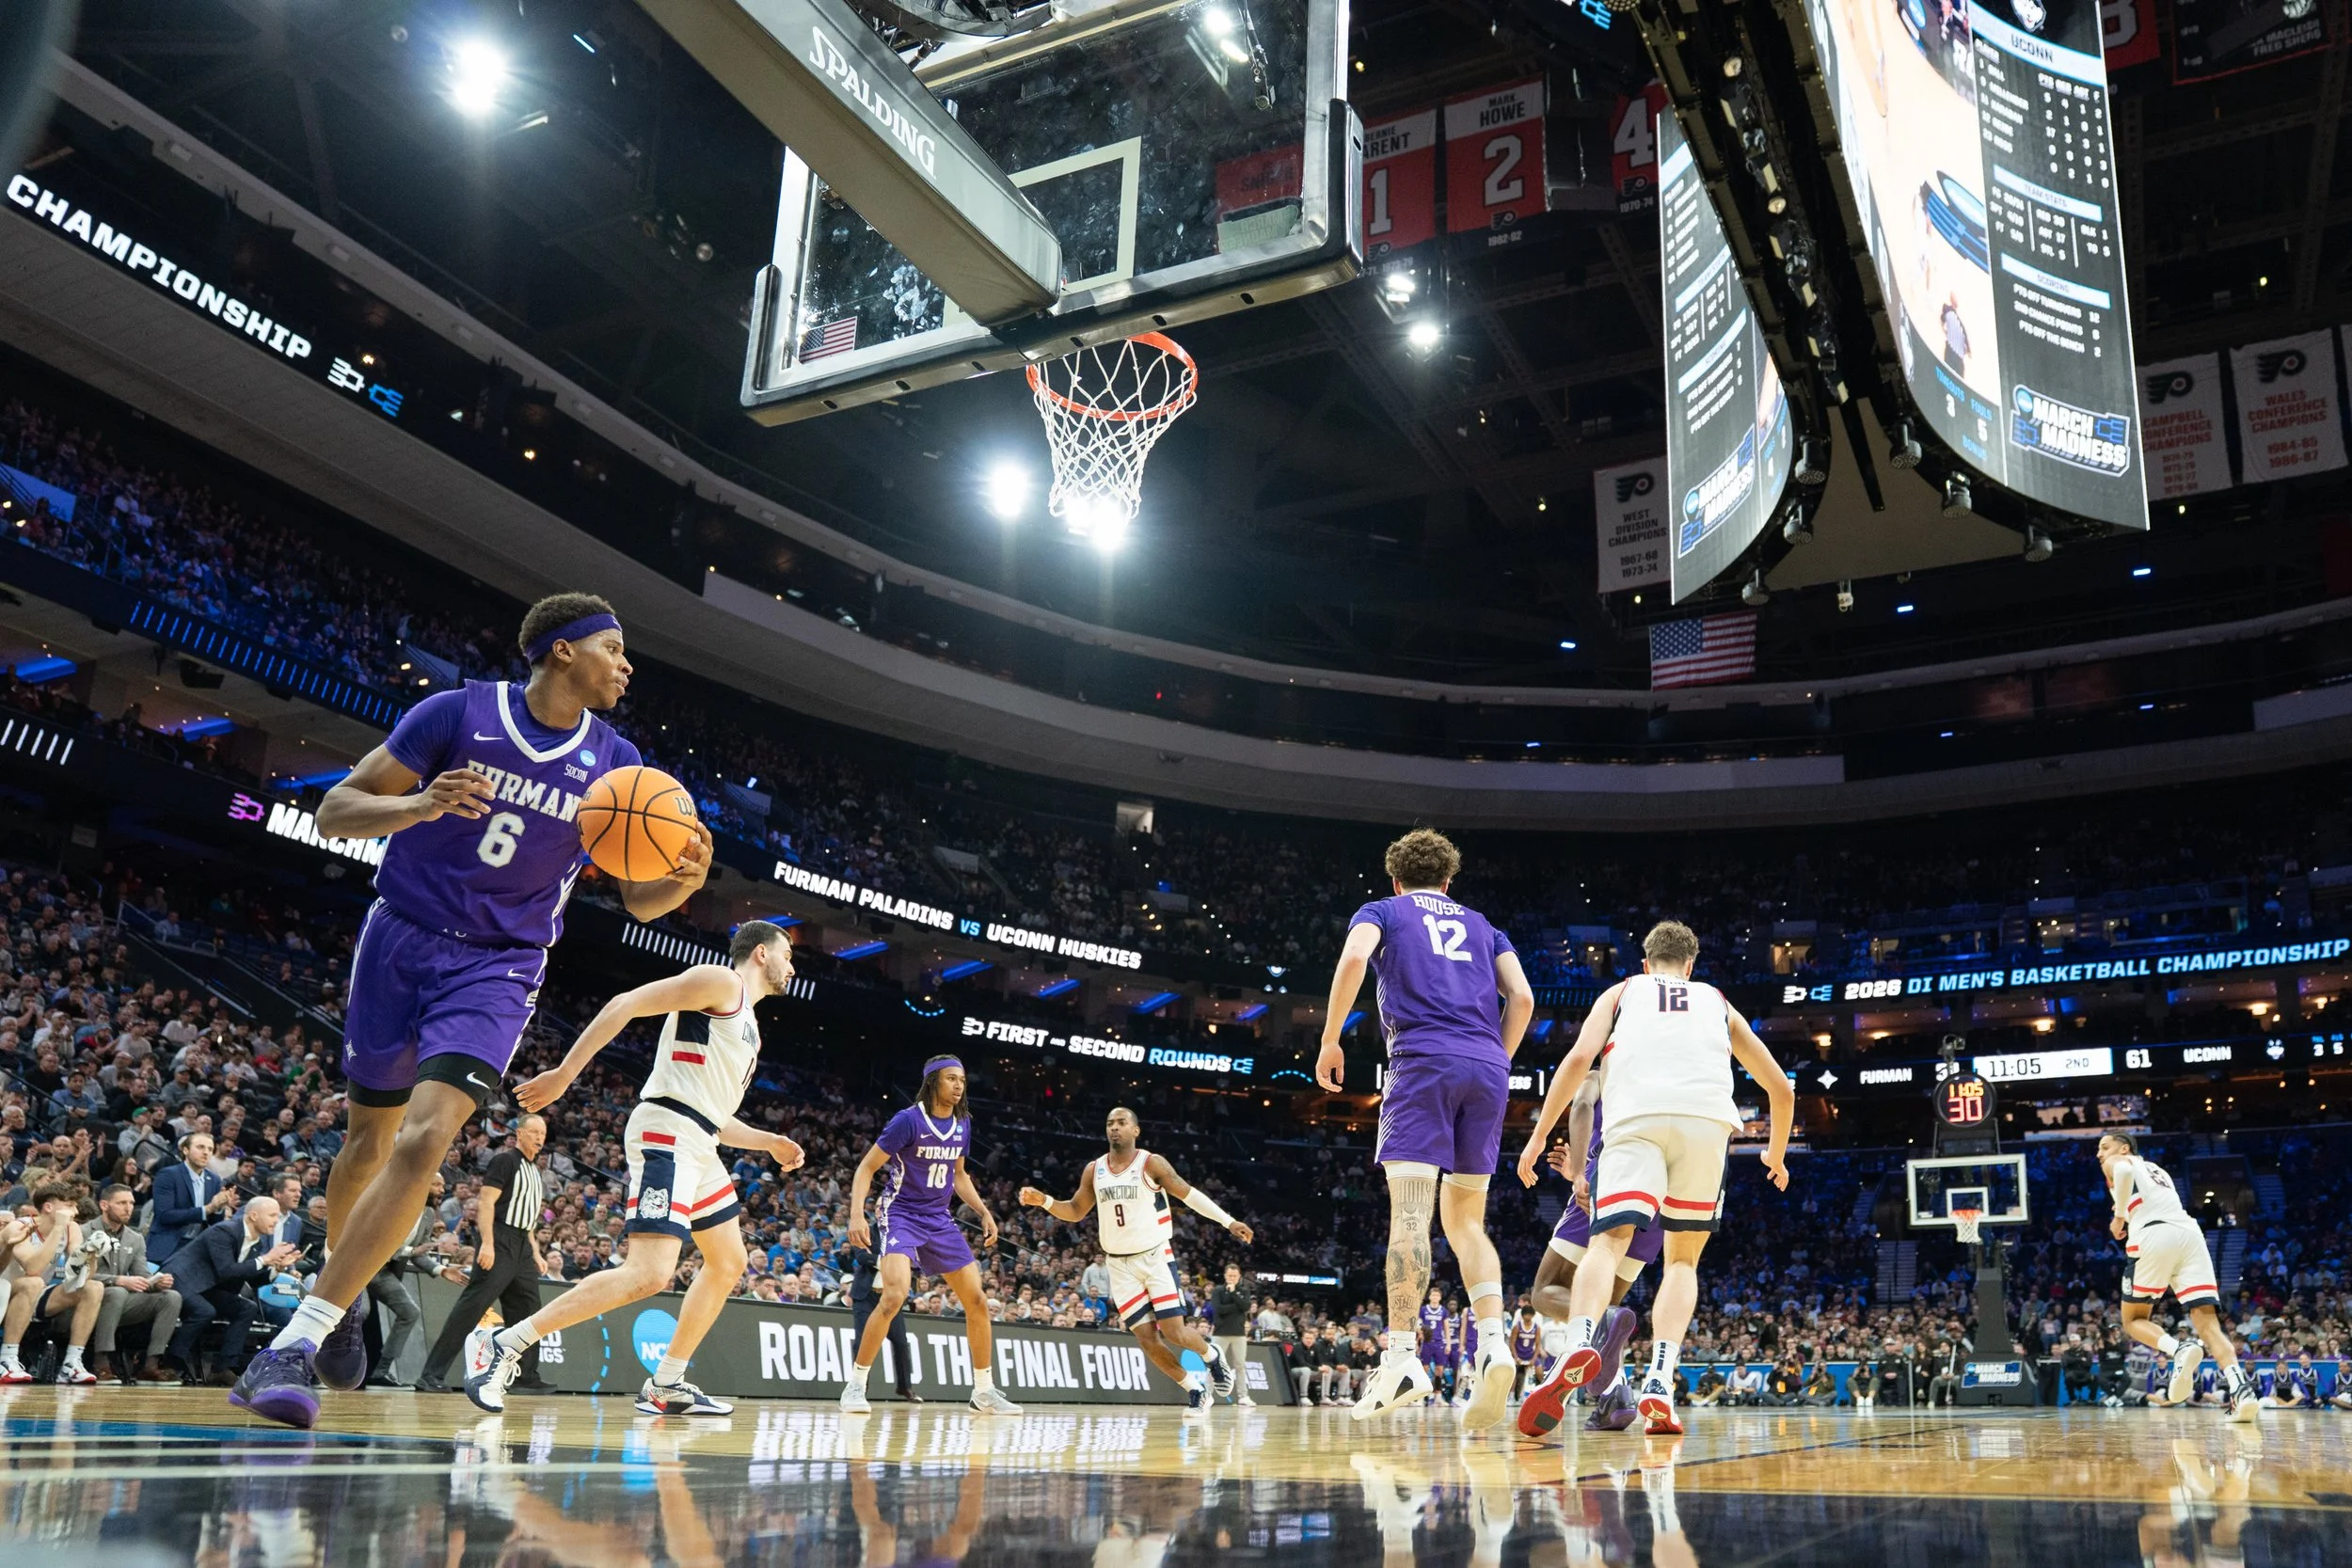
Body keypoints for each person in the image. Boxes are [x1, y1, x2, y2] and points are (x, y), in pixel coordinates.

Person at [232, 594, 712, 1428]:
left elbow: (640, 904)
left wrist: (685, 881)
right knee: (367, 1141)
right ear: (561, 652)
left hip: (500, 965)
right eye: (613, 646)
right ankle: (340, 1303)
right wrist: (416, 805)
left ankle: (296, 1340)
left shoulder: (617, 761)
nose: (626, 664)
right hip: (400, 937)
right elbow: (335, 808)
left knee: (425, 1138)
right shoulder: (453, 713)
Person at [465, 922, 805, 1415]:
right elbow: (625, 1003)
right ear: (759, 954)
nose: (792, 965)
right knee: (649, 1274)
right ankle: (508, 1343)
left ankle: (667, 1382)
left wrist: (768, 1141)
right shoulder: (722, 982)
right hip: (668, 1132)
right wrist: (564, 1074)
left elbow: (714, 1117)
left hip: (699, 1139)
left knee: (729, 1261)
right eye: (787, 953)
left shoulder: (748, 1025)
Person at [1515, 920, 1792, 1437]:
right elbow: (1780, 1087)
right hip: (1705, 1124)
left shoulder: (1622, 992)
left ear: (1645, 964)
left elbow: (1578, 1062)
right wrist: (1775, 1156)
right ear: (1691, 967)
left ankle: (1580, 1342)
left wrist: (1537, 1139)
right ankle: (1660, 1381)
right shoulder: (1717, 1001)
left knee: (1606, 1243)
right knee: (1682, 1261)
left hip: (1635, 1119)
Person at [1315, 828, 1534, 1428]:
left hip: (1422, 1060)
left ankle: (1402, 1357)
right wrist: (1497, 1059)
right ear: (1447, 880)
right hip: (1487, 1066)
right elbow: (1522, 998)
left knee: (1410, 1214)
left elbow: (1356, 957)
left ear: (1395, 878)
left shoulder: (1381, 910)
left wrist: (1331, 1038)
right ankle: (1493, 1342)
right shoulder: (1484, 925)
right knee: (1465, 1220)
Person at [1018, 1105, 1251, 1411]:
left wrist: (1228, 1221)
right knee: (1146, 1338)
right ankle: (1195, 1391)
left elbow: (1188, 1194)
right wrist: (1045, 1201)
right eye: (1110, 1123)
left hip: (1154, 1256)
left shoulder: (1151, 1163)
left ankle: (1211, 1356)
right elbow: (1075, 1211)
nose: (1114, 1127)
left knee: (1174, 1332)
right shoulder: (1094, 1169)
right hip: (1118, 1264)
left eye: (1121, 1122)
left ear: (1135, 1130)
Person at [838, 1057, 1019, 1416]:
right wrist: (856, 1214)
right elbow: (867, 1166)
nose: (958, 1086)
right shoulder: (908, 1120)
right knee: (893, 1296)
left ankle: (983, 1391)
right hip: (901, 1214)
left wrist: (983, 1212)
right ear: (934, 1081)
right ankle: (856, 1385)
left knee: (978, 1301)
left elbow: (959, 1175)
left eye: (962, 1080)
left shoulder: (962, 1123)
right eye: (951, 1079)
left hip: (939, 1218)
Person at [1514, 1066, 1661, 1433]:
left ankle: (1601, 1355)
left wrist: (1579, 1172)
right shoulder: (1664, 1075)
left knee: (1545, 1293)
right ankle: (1615, 1400)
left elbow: (1580, 1105)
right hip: (1660, 1193)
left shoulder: (1604, 1069)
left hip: (1610, 1175)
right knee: (1605, 1303)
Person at [2098, 1132, 2258, 1421]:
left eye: (2104, 1147)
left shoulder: (2119, 1161)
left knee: (2133, 1320)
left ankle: (2178, 1348)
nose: (2100, 1154)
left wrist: (2120, 1215)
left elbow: (2121, 1170)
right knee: (2208, 1324)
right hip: (2190, 1235)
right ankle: (2241, 1389)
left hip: (2153, 1234)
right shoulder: (2159, 1171)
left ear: (2124, 1148)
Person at [418, 1115, 554, 1393]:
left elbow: (529, 1220)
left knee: (528, 1311)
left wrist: (537, 1254)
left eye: (543, 1132)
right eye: (534, 1132)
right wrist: (488, 1244)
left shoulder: (535, 1171)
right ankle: (431, 1374)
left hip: (522, 1246)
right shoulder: (505, 1161)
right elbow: (487, 1204)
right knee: (472, 1306)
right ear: (519, 1134)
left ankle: (524, 1376)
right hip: (499, 1237)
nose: (540, 1137)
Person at [174, 1196, 301, 1387]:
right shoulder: (224, 1231)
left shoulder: (257, 1243)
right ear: (253, 1215)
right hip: (184, 1283)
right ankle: (171, 1363)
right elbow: (226, 1270)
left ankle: (223, 1368)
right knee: (204, 1310)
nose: (276, 1220)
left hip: (209, 1289)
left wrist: (277, 1268)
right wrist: (266, 1259)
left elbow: (252, 1279)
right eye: (272, 1215)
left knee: (246, 1308)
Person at [1, 1182, 107, 1384]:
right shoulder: (20, 1226)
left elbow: (82, 1276)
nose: (75, 1211)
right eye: (69, 1205)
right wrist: (58, 1228)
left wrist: (92, 1254)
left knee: (93, 1288)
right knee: (33, 1282)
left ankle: (71, 1364)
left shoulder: (72, 1228)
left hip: (36, 1295)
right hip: (5, 1295)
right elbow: (34, 1268)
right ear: (49, 1207)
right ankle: (7, 1359)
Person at [86, 1181, 182, 1383]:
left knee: (171, 1297)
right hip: (86, 1299)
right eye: (121, 1203)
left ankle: (151, 1365)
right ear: (104, 1205)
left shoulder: (135, 1238)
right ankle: (101, 1362)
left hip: (119, 1302)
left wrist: (157, 1282)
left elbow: (142, 1275)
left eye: (131, 1203)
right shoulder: (84, 1231)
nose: (128, 1208)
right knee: (117, 1291)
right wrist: (118, 1280)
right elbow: (77, 1274)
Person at [843, 1243, 917, 1402]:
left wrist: (881, 1260)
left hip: (890, 1298)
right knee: (861, 1341)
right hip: (866, 1297)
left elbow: (911, 1261)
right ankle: (859, 1388)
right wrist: (890, 1262)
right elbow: (862, 1257)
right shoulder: (865, 1232)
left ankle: (905, 1387)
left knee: (901, 1342)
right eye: (878, 1214)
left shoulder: (899, 1232)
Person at [147, 1132, 233, 1264]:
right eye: (200, 1147)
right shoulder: (168, 1175)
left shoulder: (214, 1180)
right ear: (186, 1150)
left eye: (210, 1149)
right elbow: (165, 1215)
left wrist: (219, 1208)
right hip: (169, 1245)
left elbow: (214, 1222)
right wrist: (208, 1209)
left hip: (198, 1246)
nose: (206, 1152)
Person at [1208, 1262, 1256, 1406]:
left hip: (1239, 1334)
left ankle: (1243, 1396)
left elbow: (1246, 1307)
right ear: (1225, 1276)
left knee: (1240, 1365)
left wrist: (1234, 1293)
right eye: (1229, 1275)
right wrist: (1237, 1306)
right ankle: (1207, 1395)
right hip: (1220, 1333)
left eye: (1235, 1276)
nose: (1232, 1278)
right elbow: (1218, 1309)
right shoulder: (1218, 1291)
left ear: (1239, 1277)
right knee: (1213, 1364)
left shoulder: (1244, 1291)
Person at [1285, 1326, 1320, 1404]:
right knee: (1305, 1369)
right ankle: (1303, 1396)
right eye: (1307, 1338)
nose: (1309, 1340)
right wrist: (1318, 1368)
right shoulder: (1298, 1347)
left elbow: (1319, 1363)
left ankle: (1325, 1398)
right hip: (1294, 1371)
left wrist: (1323, 1368)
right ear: (1302, 1338)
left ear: (1314, 1340)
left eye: (1311, 1339)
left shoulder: (1315, 1347)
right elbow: (1302, 1363)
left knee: (1327, 1371)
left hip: (1309, 1370)